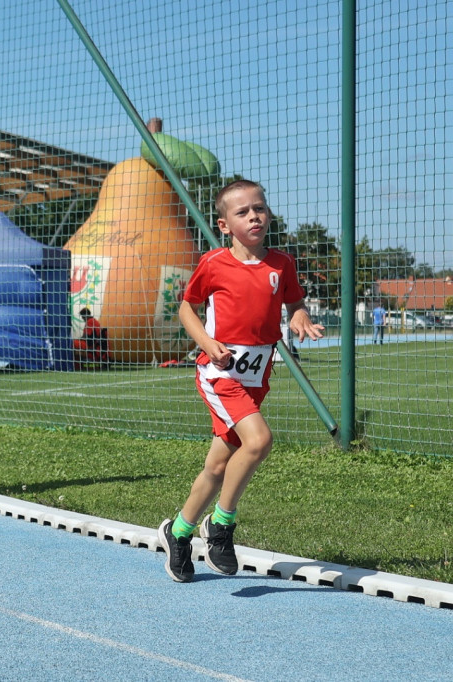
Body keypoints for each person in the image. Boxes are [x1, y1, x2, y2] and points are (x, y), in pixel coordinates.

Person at [157, 179, 324, 582]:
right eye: (243, 212)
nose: (254, 216)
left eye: (260, 209)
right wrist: (207, 343)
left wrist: (298, 314)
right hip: (219, 374)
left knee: (217, 465)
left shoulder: (281, 264)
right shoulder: (214, 263)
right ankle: (221, 526)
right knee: (259, 441)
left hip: (256, 376)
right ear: (225, 225)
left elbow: (294, 300)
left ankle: (178, 533)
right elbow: (186, 309)